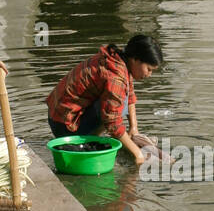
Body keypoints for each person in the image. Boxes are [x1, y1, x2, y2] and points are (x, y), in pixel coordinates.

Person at [46, 35, 162, 166]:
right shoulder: (116, 76)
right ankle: (88, 141)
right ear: (135, 59)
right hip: (64, 125)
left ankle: (100, 137)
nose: (149, 75)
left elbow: (130, 94)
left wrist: (134, 128)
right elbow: (112, 121)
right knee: (118, 106)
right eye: (149, 69)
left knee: (121, 98)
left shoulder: (116, 59)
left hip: (57, 116)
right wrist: (137, 153)